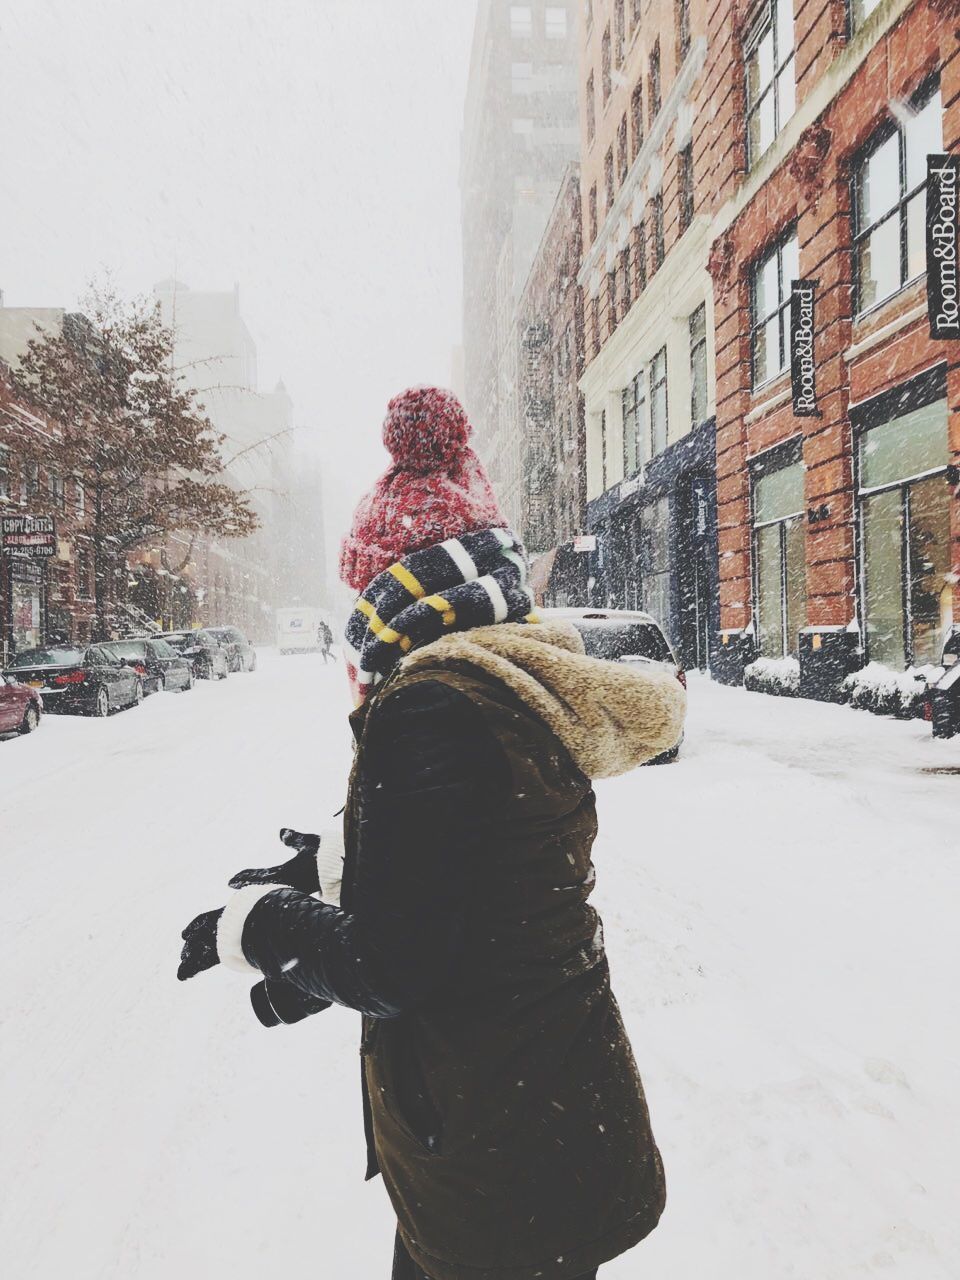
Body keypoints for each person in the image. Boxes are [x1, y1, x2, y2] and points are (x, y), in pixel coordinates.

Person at [178, 386, 685, 1280]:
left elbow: (393, 961)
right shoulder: (502, 677)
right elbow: (476, 859)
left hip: (497, 1139)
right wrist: (324, 868)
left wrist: (257, 926)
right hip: (546, 1109)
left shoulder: (428, 708)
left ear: (399, 582)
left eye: (365, 582)